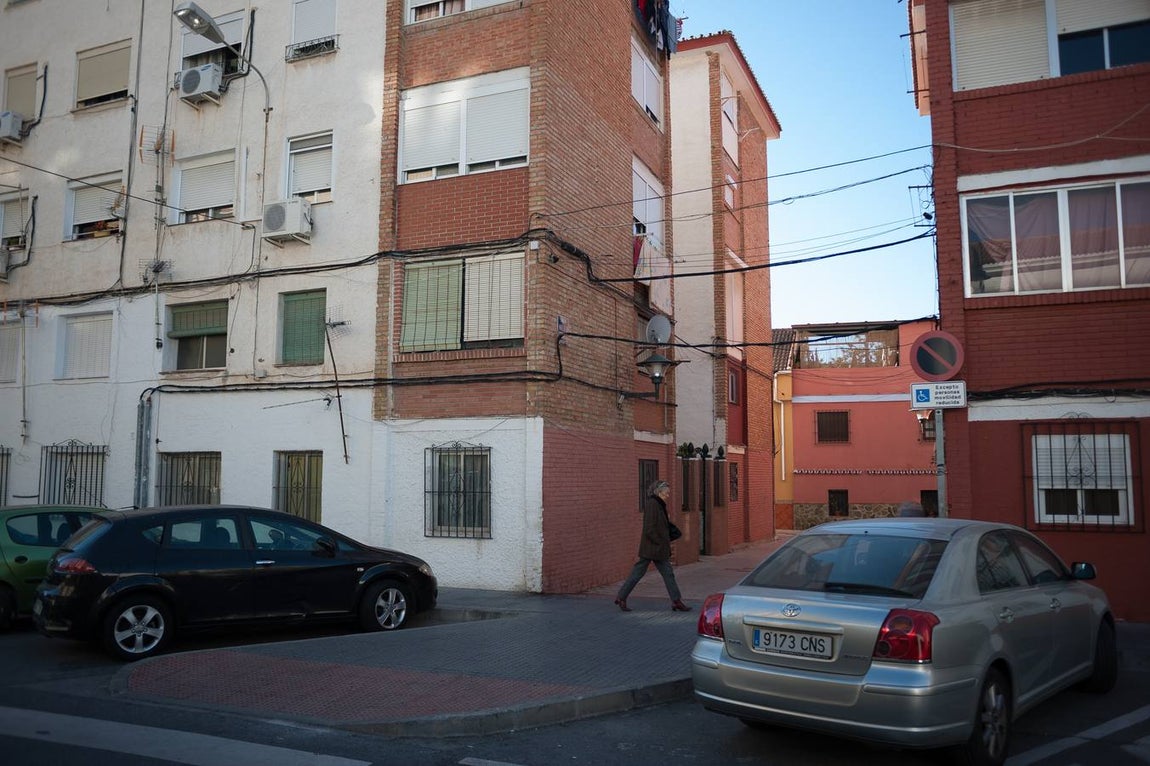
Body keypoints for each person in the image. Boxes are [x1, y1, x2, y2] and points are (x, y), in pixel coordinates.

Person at [614, 479, 690, 612]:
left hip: (658, 548)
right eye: (666, 492)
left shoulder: (659, 504)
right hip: (652, 547)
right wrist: (660, 541)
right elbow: (649, 528)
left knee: (667, 574)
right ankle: (621, 597)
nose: (668, 495)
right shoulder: (652, 504)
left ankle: (676, 601)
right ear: (659, 492)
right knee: (639, 574)